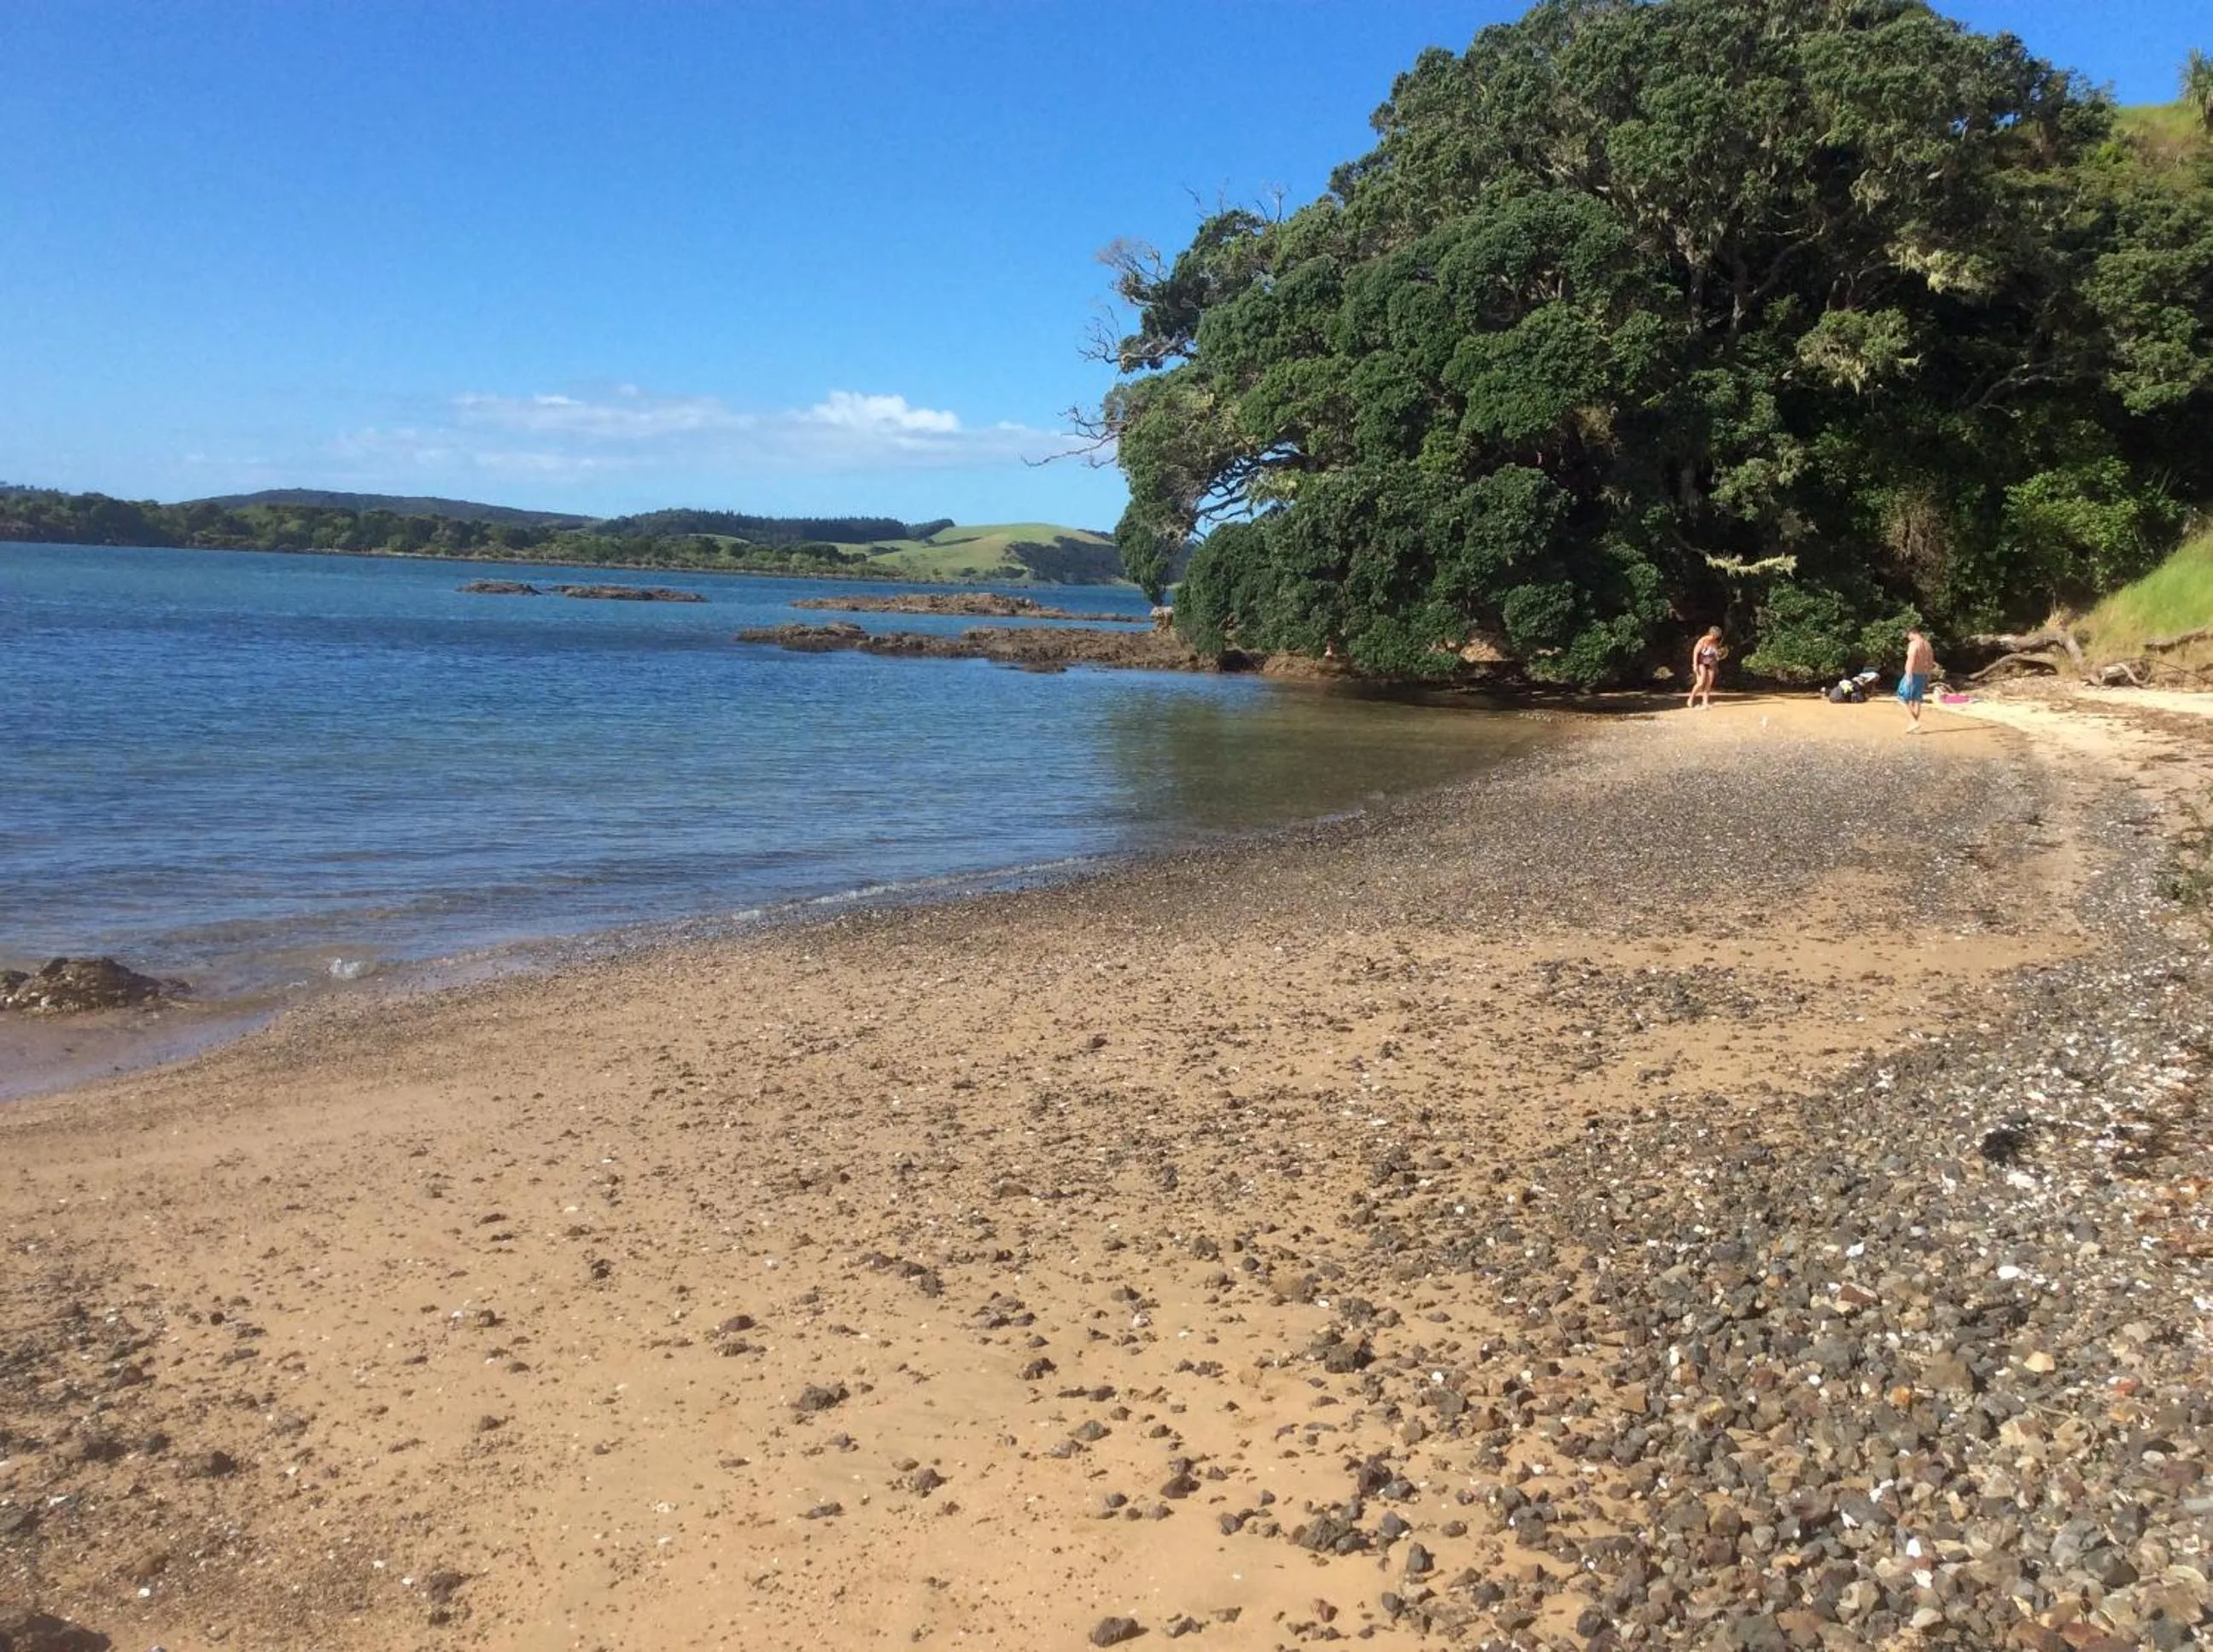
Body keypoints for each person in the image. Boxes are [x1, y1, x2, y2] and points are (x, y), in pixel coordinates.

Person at [1898, 628, 1936, 732]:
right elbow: (1930, 661)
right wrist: (1928, 674)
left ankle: (1913, 722)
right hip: (1922, 674)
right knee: (1916, 699)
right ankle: (1913, 725)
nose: (1908, 638)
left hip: (1913, 673)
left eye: (1908, 636)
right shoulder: (1928, 645)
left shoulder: (1914, 644)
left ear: (1912, 633)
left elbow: (1911, 658)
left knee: (1902, 698)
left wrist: (1909, 674)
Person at [1686, 626, 1724, 709]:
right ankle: (1691, 699)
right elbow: (1695, 652)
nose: (1718, 636)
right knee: (1700, 683)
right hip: (1701, 663)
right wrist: (1695, 664)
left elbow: (1715, 655)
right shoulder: (1703, 640)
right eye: (1717, 634)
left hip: (1711, 664)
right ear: (1712, 633)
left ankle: (1705, 702)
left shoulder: (1715, 642)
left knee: (1709, 684)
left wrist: (1717, 662)